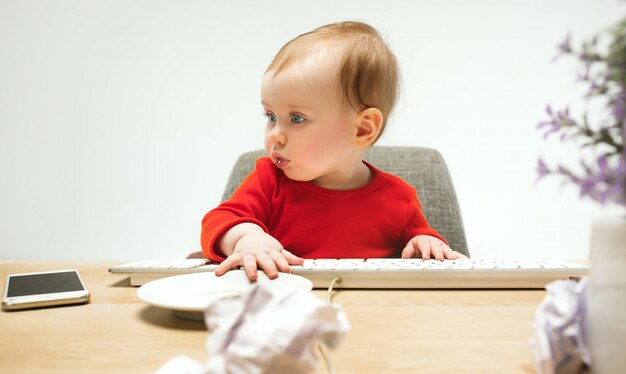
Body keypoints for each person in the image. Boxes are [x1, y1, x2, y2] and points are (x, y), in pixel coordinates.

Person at [201, 21, 467, 281]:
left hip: (371, 312)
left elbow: (424, 246)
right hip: (284, 306)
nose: (274, 135)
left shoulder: (400, 200)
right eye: (270, 116)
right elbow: (218, 221)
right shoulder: (269, 180)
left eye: (296, 119)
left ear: (362, 129)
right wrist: (246, 237)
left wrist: (425, 243)